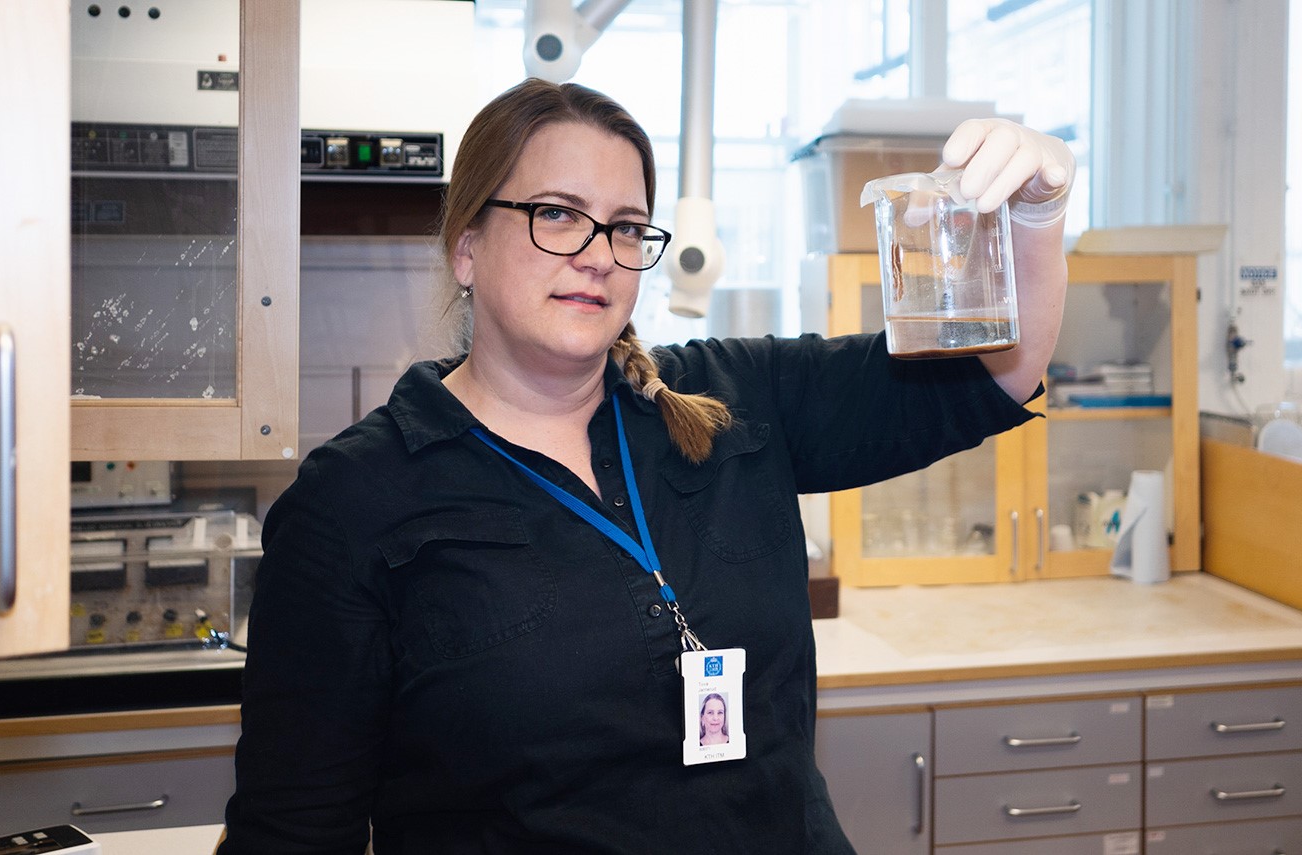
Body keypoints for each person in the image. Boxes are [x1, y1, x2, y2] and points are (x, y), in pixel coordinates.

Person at [218, 77, 1072, 854]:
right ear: (466, 245)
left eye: (626, 226)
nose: (597, 252)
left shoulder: (737, 396)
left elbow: (990, 376)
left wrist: (1034, 221)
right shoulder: (352, 504)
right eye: (557, 213)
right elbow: (292, 833)